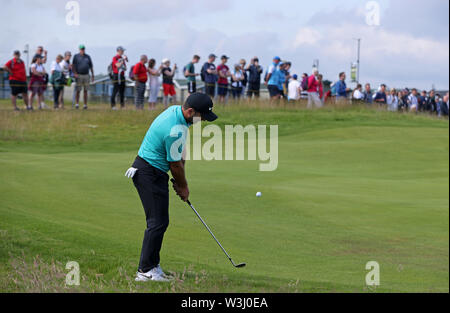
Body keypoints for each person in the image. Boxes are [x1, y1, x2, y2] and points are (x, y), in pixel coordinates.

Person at [124, 92, 218, 282]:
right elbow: (174, 165)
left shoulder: (177, 112)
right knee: (157, 222)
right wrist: (183, 187)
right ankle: (145, 271)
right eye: (201, 117)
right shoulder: (175, 129)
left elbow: (180, 157)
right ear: (191, 111)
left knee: (160, 221)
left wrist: (180, 180)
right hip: (148, 173)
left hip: (153, 171)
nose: (203, 121)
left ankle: (152, 265)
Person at [72, 44, 94, 110]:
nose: (82, 50)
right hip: (79, 75)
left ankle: (85, 105)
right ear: (79, 50)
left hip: (86, 75)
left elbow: (91, 66)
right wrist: (75, 73)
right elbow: (73, 66)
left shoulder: (88, 57)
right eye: (81, 49)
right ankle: (77, 104)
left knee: (86, 90)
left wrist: (92, 75)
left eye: (83, 49)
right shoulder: (76, 56)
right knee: (78, 90)